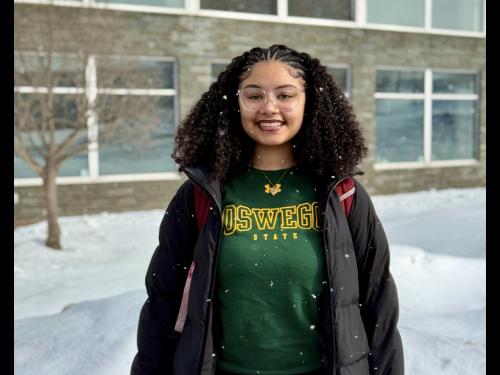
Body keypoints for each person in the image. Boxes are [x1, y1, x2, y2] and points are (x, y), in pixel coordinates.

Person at [130, 44, 404, 375]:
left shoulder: (342, 195)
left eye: (285, 95)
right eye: (254, 95)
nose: (269, 107)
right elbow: (162, 301)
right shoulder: (202, 194)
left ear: (309, 103)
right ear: (235, 103)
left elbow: (378, 304)